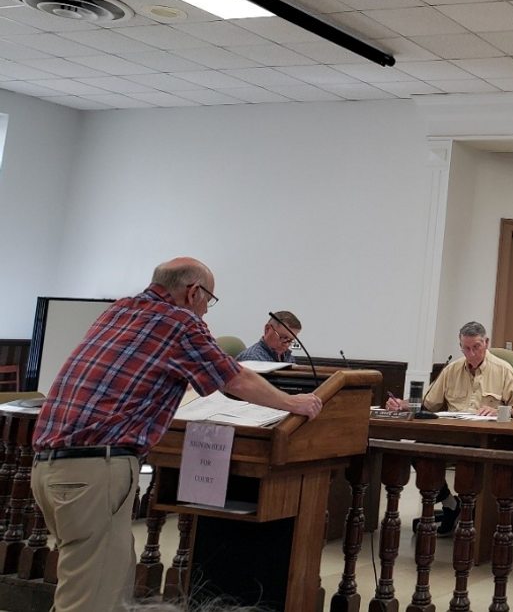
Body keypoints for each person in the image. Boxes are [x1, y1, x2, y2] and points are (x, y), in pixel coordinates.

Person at [31, 257, 323, 612]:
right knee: (89, 601)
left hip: (48, 467)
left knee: (94, 586)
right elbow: (236, 379)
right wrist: (294, 404)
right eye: (208, 300)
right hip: (95, 468)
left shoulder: (120, 309)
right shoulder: (181, 321)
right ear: (193, 291)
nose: (205, 311)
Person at [385, 320, 513, 535]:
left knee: (472, 463)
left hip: (486, 439)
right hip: (453, 434)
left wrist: (499, 411)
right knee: (419, 450)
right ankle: (450, 504)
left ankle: (473, 516)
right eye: (466, 348)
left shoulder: (503, 370)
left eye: (476, 347)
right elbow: (428, 403)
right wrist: (402, 404)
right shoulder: (452, 370)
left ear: (486, 342)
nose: (471, 354)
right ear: (460, 346)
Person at [235, 311, 302, 363]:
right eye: (283, 337)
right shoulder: (251, 359)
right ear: (267, 329)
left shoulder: (287, 356)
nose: (286, 344)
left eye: (290, 340)